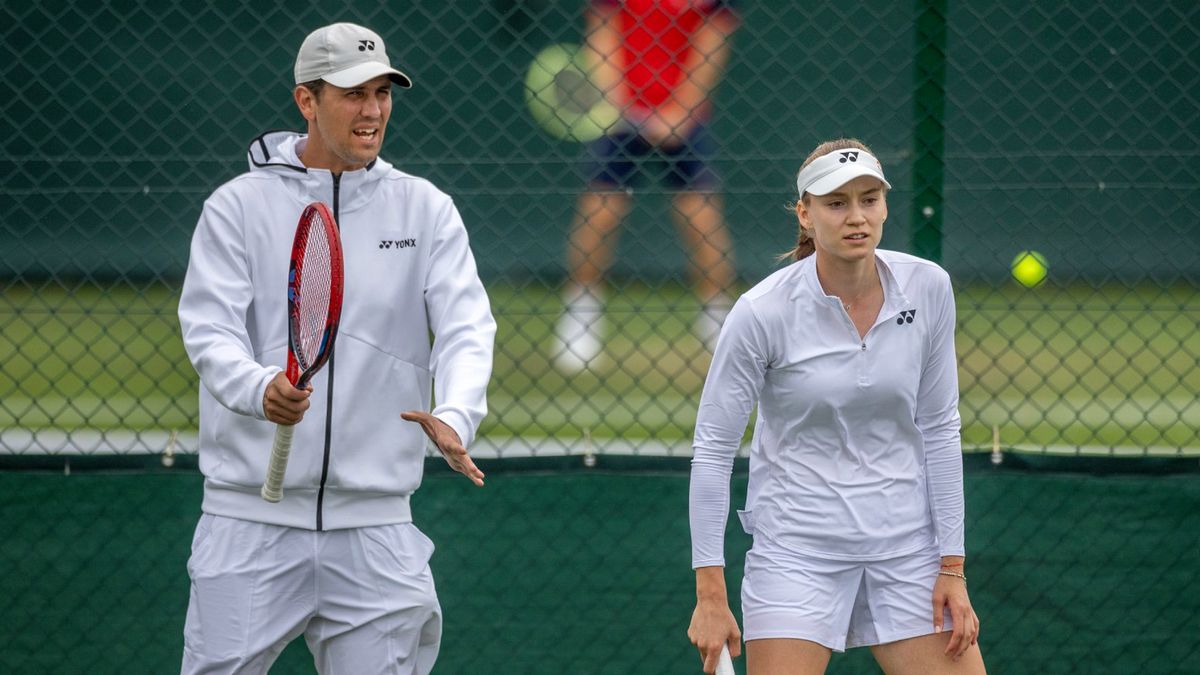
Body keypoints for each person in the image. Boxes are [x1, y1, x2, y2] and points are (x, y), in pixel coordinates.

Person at [177, 22, 495, 674]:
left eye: (383, 92)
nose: (373, 110)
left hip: (378, 529)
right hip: (248, 522)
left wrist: (458, 414)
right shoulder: (235, 208)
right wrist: (256, 387)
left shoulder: (426, 209)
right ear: (306, 101)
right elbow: (209, 329)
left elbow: (467, 326)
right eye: (353, 93)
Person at [686, 139, 985, 674]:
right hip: (796, 553)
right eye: (836, 202)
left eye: (869, 200)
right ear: (805, 213)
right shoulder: (761, 312)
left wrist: (953, 567)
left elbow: (940, 428)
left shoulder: (929, 287)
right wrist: (711, 596)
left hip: (907, 552)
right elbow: (713, 451)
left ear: (886, 206)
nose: (857, 217)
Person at [551, 0, 740, 371]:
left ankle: (721, 325)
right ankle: (580, 320)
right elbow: (602, 31)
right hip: (618, 114)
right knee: (599, 212)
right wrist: (618, 101)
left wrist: (679, 113)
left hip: (685, 116)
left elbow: (713, 42)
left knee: (701, 218)